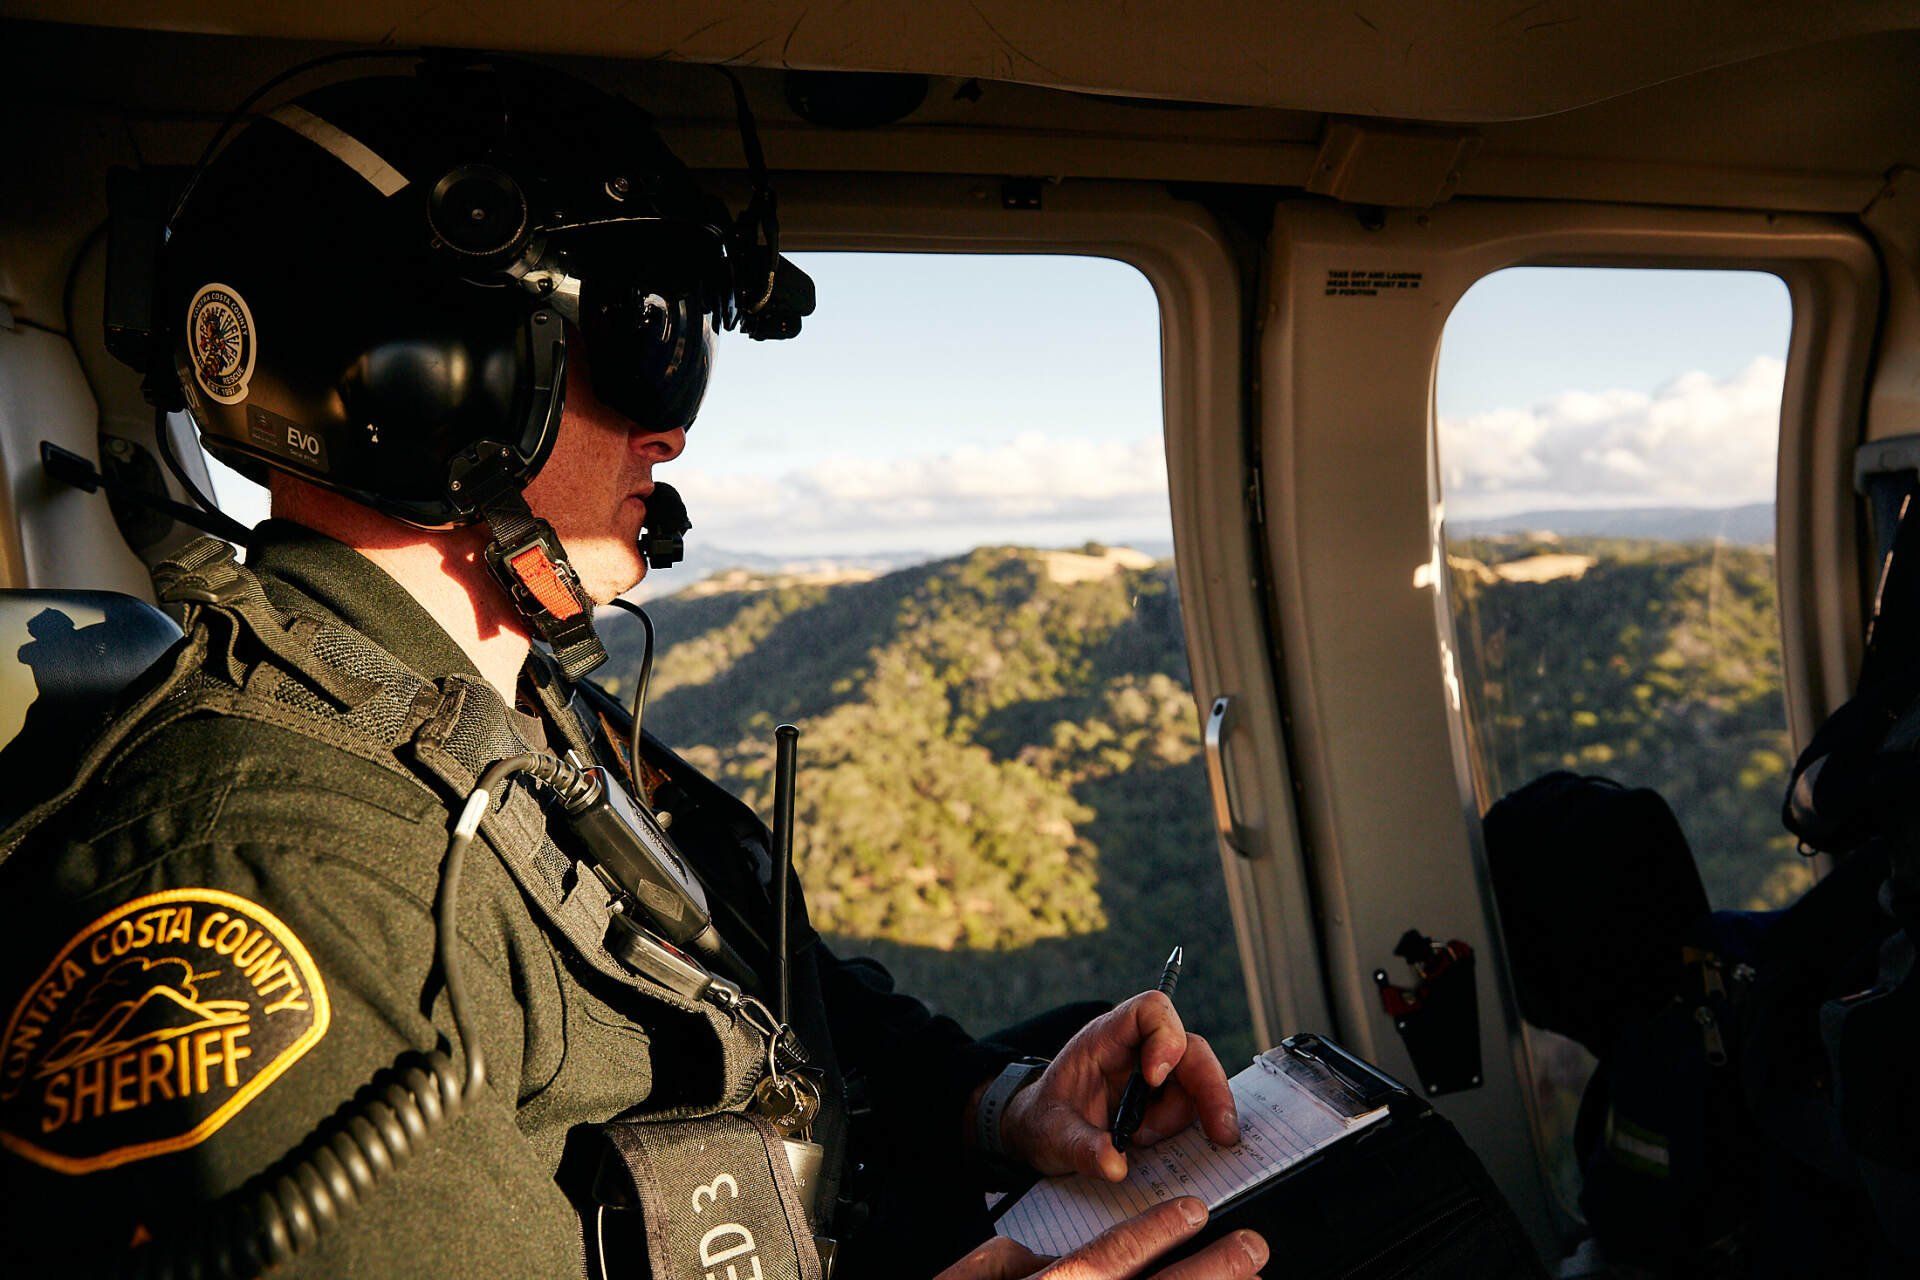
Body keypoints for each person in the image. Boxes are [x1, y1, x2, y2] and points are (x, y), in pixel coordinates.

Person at [0, 56, 1268, 1280]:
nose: (668, 425)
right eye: (636, 345)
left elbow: (757, 985)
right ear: (435, 374)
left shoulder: (519, 702)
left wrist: (1003, 1104)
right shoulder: (270, 877)